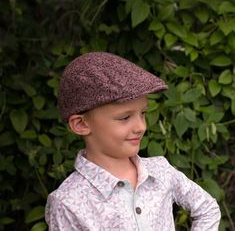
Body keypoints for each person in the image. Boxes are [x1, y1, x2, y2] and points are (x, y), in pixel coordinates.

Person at [45, 52, 221, 231]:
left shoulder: (160, 171)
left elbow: (207, 208)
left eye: (143, 113)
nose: (141, 127)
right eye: (125, 117)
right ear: (81, 124)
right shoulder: (69, 202)